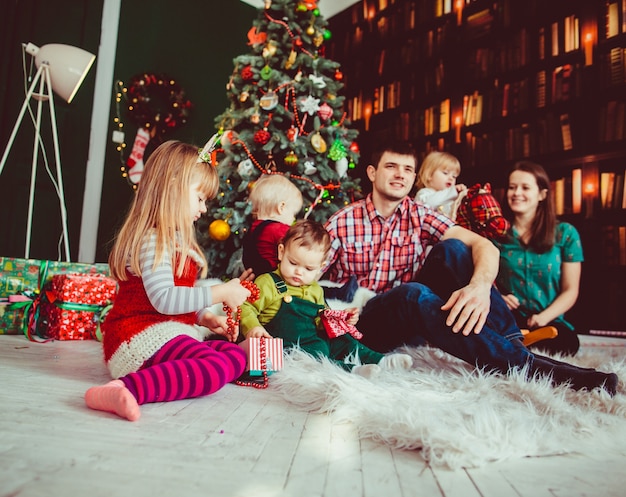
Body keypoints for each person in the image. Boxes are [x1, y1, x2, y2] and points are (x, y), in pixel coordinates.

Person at [323, 142, 618, 395]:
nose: (400, 174)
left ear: (414, 178)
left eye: (407, 169)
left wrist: (478, 287)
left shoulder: (419, 214)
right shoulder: (341, 222)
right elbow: (309, 278)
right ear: (373, 172)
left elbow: (484, 246)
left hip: (409, 325)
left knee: (454, 249)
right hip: (363, 323)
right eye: (391, 166)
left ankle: (513, 344)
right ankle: (530, 366)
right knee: (413, 293)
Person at [85, 140, 254, 422]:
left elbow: (176, 295)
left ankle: (199, 365)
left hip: (163, 329)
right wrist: (221, 291)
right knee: (214, 369)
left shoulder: (174, 241)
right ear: (174, 186)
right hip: (137, 336)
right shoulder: (152, 240)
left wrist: (202, 318)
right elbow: (164, 300)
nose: (203, 209)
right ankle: (123, 389)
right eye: (199, 198)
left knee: (233, 355)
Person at [240, 219, 413, 377]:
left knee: (344, 339)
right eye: (293, 263)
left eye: (308, 268)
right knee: (313, 358)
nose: (299, 272)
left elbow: (322, 319)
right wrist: (252, 328)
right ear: (281, 252)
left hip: (314, 337)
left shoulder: (315, 289)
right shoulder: (268, 283)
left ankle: (380, 360)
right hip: (286, 344)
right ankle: (352, 370)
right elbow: (246, 308)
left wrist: (342, 319)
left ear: (320, 268)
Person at [494, 161, 583, 356]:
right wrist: (498, 298)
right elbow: (484, 277)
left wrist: (543, 318)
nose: (517, 193)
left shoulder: (565, 233)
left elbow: (571, 290)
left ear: (542, 194)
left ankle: (516, 348)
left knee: (566, 343)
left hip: (548, 321)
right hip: (507, 318)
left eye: (525, 187)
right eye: (512, 187)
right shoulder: (496, 234)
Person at [242, 173, 303, 276]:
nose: (293, 218)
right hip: (276, 280)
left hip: (256, 277)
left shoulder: (254, 227)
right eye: (293, 213)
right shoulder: (279, 229)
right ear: (281, 207)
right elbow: (299, 248)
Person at [415, 151, 467, 219]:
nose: (451, 178)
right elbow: (428, 204)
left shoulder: (450, 197)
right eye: (445, 173)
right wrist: (453, 191)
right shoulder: (423, 193)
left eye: (454, 176)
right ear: (429, 175)